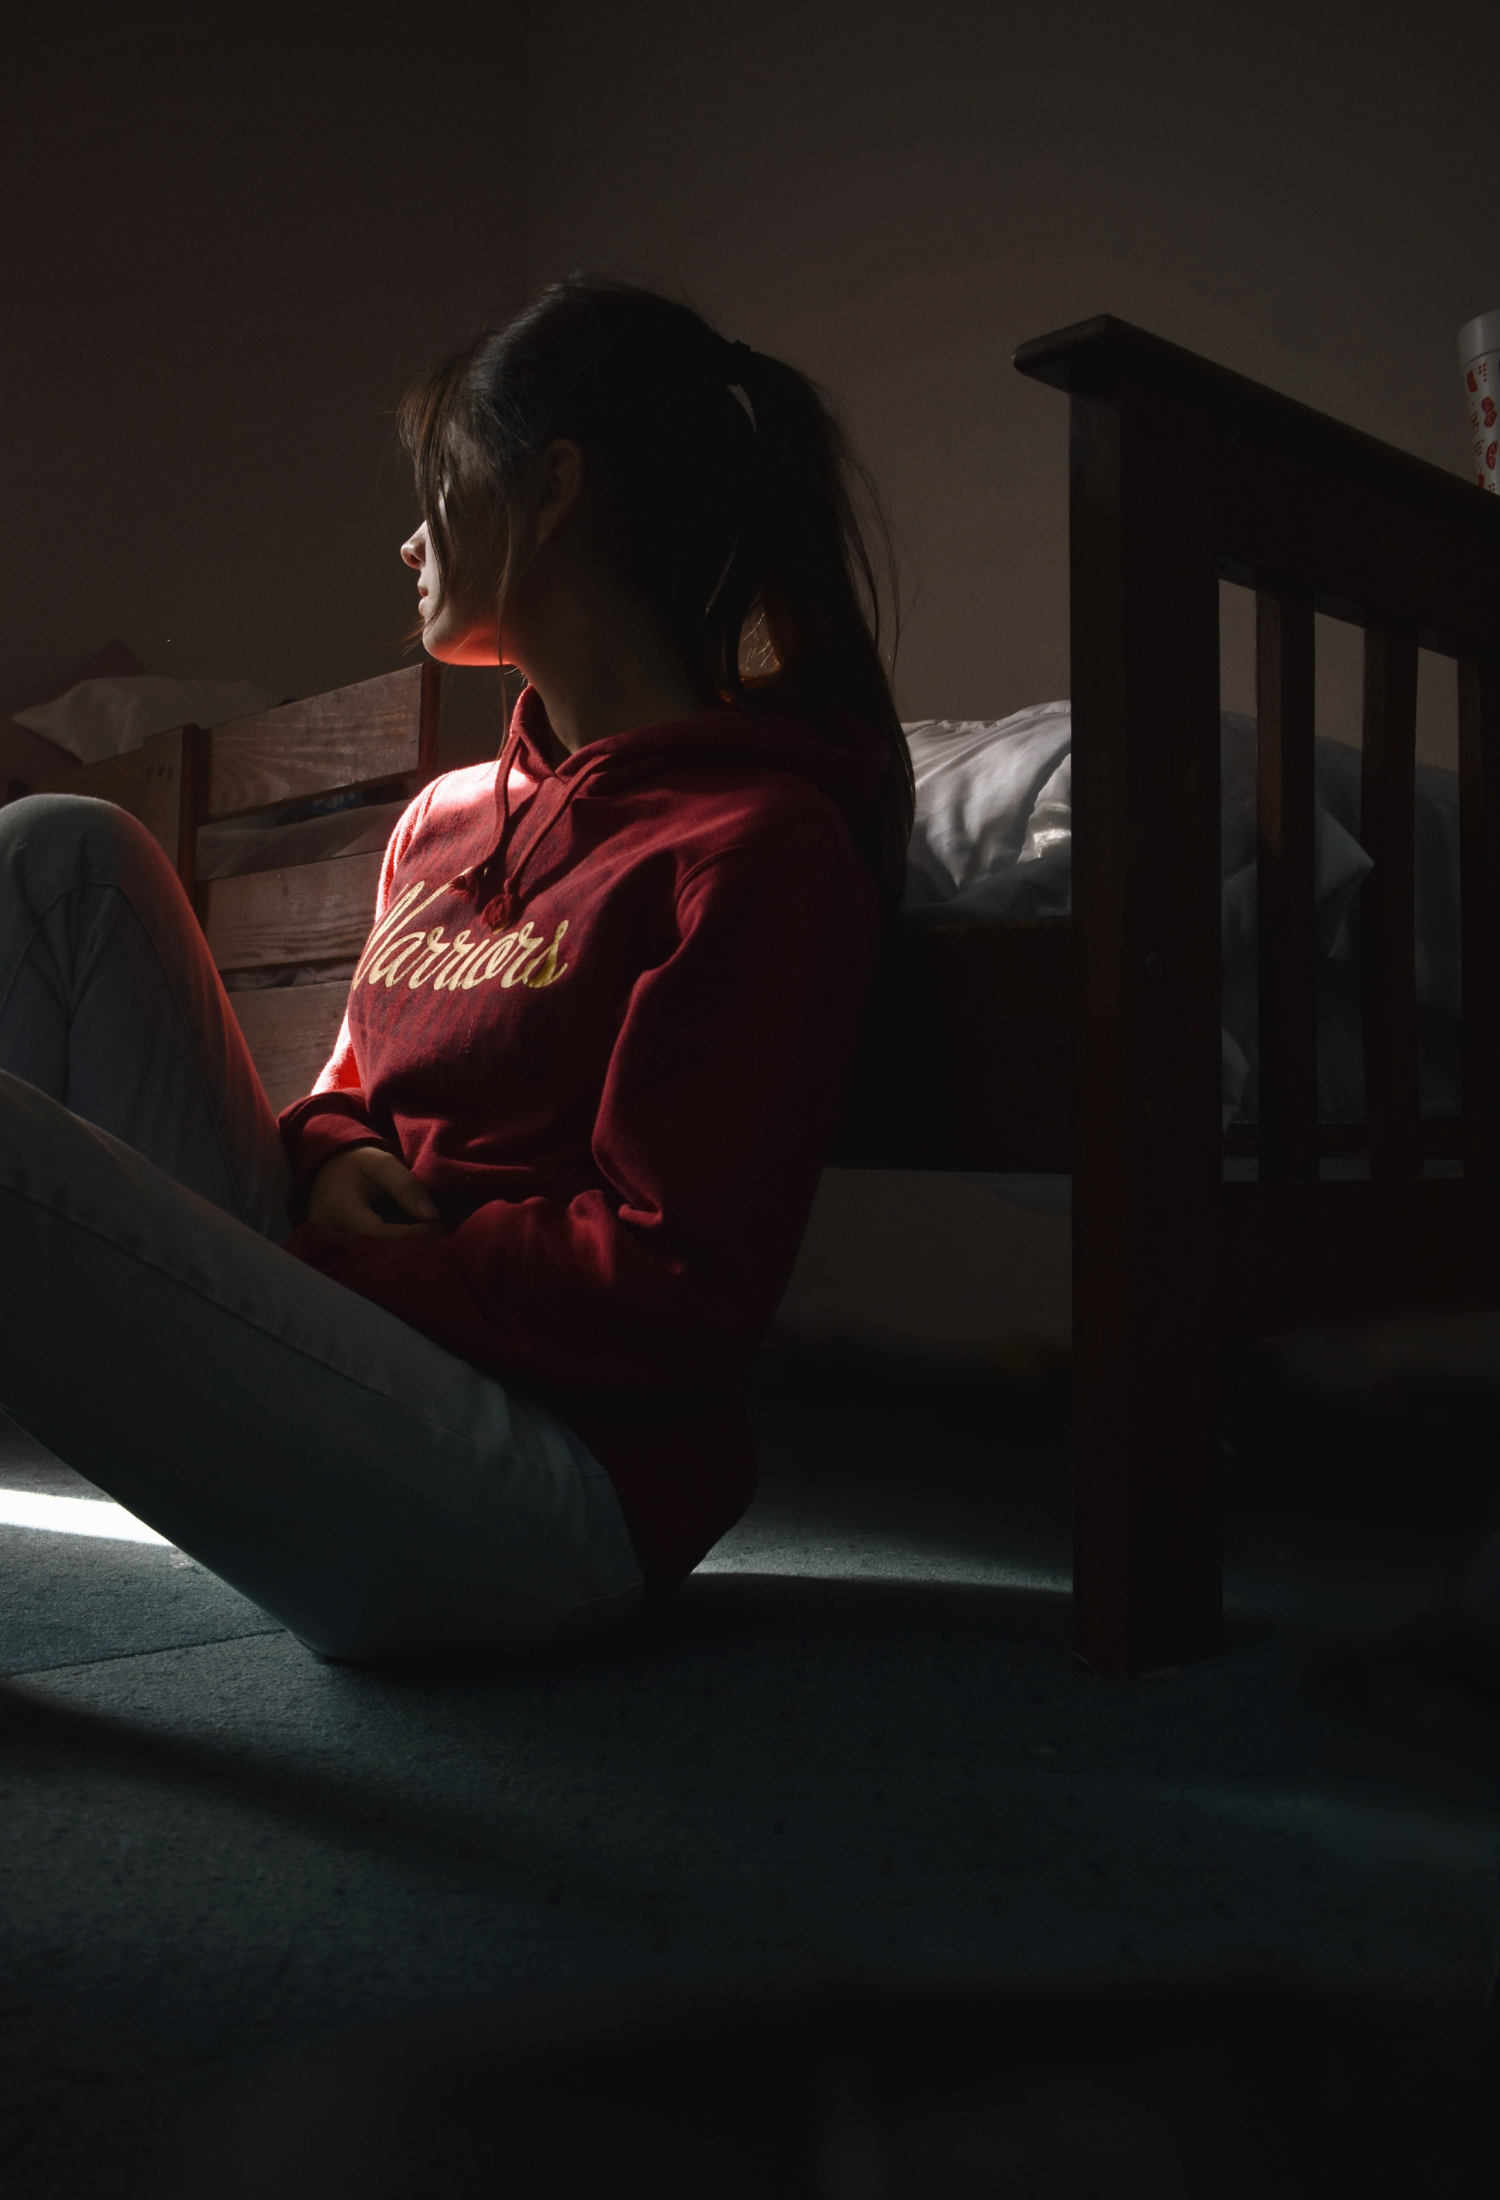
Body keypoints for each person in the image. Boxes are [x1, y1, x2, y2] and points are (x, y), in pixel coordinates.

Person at [0, 278, 912, 1660]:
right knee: (62, 852)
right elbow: (345, 1093)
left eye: (442, 487)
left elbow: (676, 1287)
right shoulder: (443, 820)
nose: (411, 537)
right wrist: (322, 1155)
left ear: (550, 489)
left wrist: (341, 1261)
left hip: (543, 1492)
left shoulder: (754, 845)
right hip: (362, 1344)